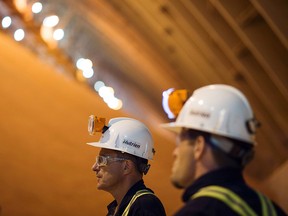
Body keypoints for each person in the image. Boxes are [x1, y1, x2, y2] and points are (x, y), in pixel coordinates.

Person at [161, 84, 287, 216]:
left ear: (199, 146)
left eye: (180, 142)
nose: (174, 153)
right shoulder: (272, 209)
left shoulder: (200, 212)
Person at [87, 116, 166, 216]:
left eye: (102, 160)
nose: (94, 167)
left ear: (126, 167)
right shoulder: (119, 208)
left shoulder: (144, 207)